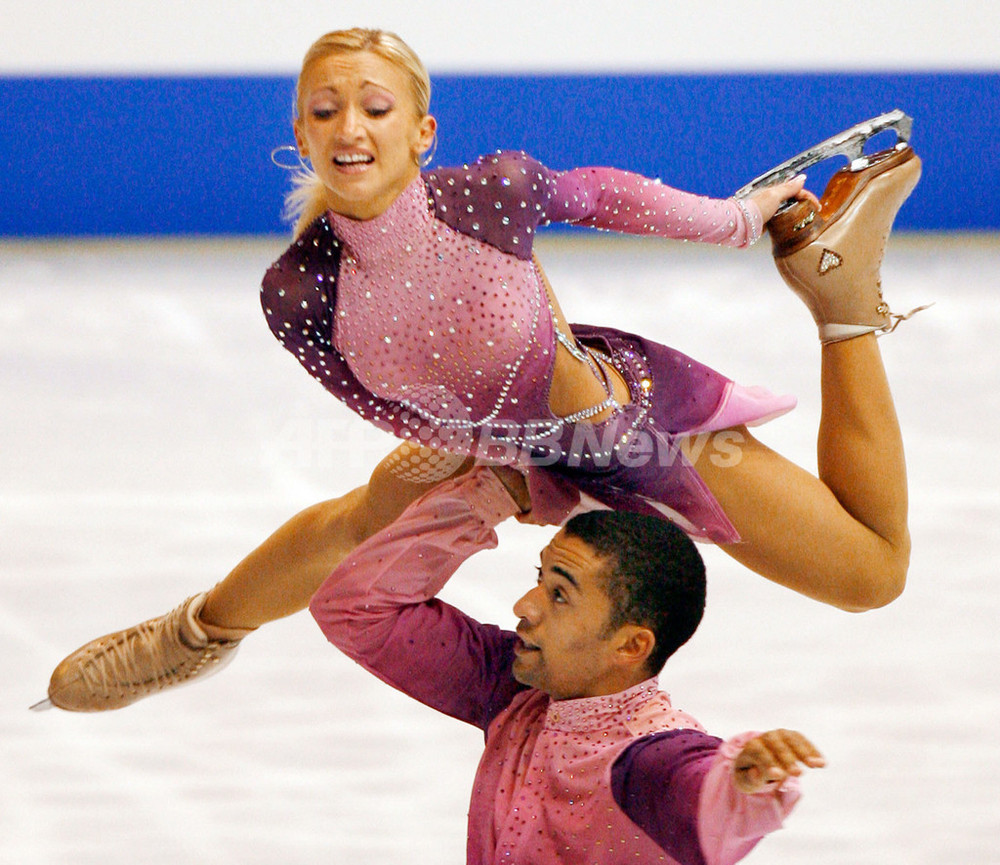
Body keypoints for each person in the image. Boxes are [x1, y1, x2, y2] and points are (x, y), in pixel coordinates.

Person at [38, 27, 920, 712]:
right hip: (492, 449)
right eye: (325, 110)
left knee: (871, 577)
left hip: (626, 432)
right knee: (368, 511)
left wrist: (733, 221)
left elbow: (605, 194)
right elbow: (369, 395)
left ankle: (838, 293)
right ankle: (194, 632)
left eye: (375, 108)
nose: (351, 127)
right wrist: (475, 460)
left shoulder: (486, 195)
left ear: (421, 130)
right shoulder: (297, 291)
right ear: (301, 133)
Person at [310, 463, 826, 864]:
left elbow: (698, 791)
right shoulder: (515, 687)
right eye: (541, 577)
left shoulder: (645, 758)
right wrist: (493, 493)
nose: (524, 607)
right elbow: (356, 609)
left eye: (559, 595)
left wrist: (744, 781)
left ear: (630, 646)